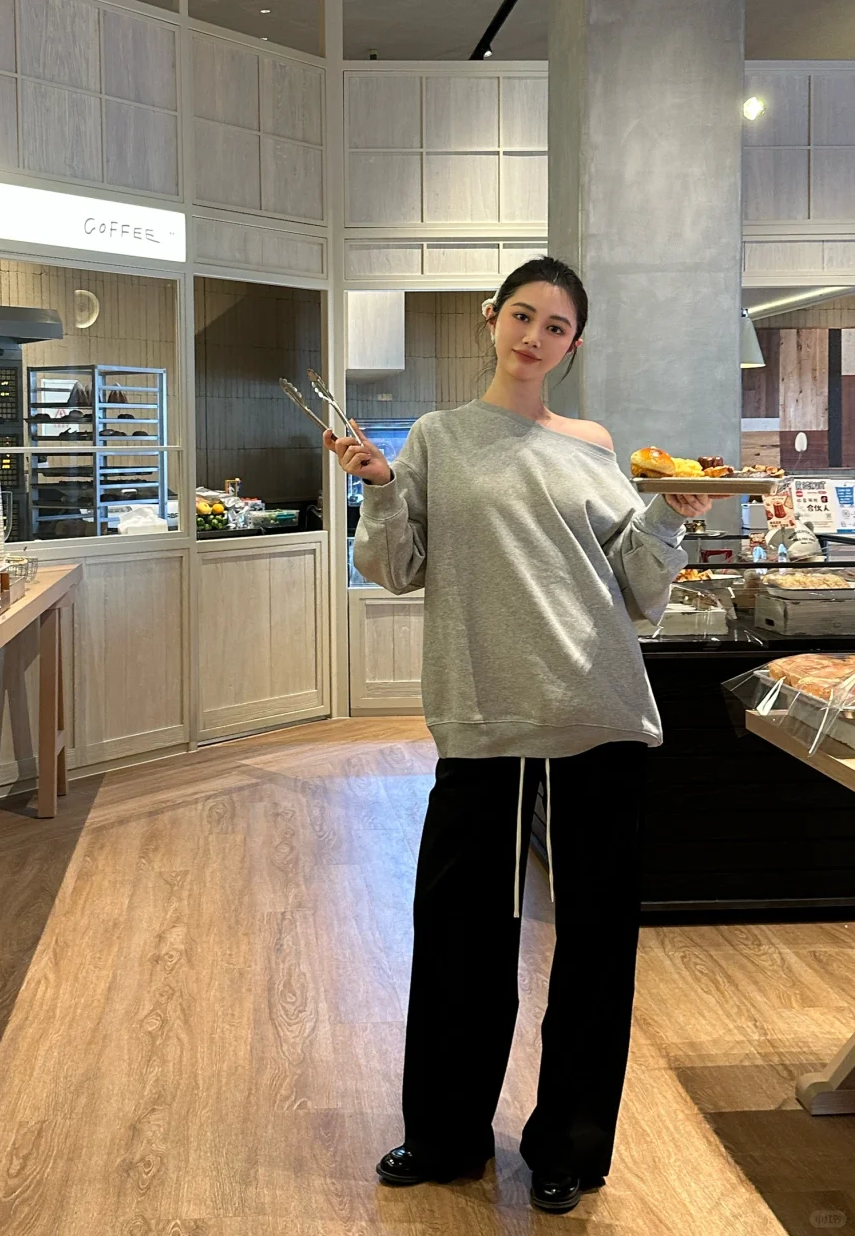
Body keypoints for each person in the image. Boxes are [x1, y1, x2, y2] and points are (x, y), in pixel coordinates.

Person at [324, 257, 713, 1216]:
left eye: (557, 327)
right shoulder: (438, 437)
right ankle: (446, 1135)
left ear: (574, 345)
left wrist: (670, 516)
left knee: (594, 946)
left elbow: (636, 589)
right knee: (460, 938)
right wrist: (379, 486)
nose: (535, 337)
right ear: (492, 318)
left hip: (598, 712)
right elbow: (394, 568)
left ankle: (569, 1147)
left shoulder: (593, 446)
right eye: (523, 316)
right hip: (484, 718)